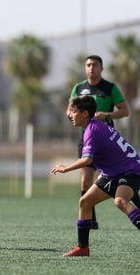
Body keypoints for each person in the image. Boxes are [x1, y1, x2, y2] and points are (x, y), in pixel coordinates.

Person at [52, 95, 140, 257]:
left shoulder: (91, 131)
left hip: (131, 171)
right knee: (85, 202)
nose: (70, 115)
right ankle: (83, 248)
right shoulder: (95, 126)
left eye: (73, 111)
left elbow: (87, 159)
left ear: (85, 114)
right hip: (114, 173)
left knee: (120, 201)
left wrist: (65, 169)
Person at [66, 55, 129, 229]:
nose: (91, 68)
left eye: (95, 65)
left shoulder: (110, 88)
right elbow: (69, 110)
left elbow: (125, 111)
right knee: (85, 181)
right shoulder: (78, 88)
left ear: (102, 68)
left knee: (119, 178)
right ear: (85, 68)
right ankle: (90, 219)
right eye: (88, 65)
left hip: (107, 142)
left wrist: (107, 115)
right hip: (87, 139)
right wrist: (74, 114)